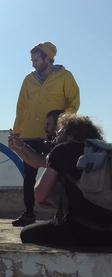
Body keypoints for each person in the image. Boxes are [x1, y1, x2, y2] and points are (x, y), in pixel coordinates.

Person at [12, 41, 80, 226]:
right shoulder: (29, 80)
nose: (33, 63)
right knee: (29, 176)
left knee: (61, 174)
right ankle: (28, 214)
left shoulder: (65, 76)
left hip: (53, 134)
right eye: (32, 59)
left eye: (36, 59)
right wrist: (17, 131)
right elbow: (21, 107)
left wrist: (63, 124)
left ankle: (63, 214)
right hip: (29, 133)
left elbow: (73, 102)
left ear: (48, 58)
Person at [21, 114, 112, 246]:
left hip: (82, 232)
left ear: (69, 135)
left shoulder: (63, 150)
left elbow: (40, 196)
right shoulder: (106, 153)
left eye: (59, 133)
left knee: (28, 233)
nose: (56, 137)